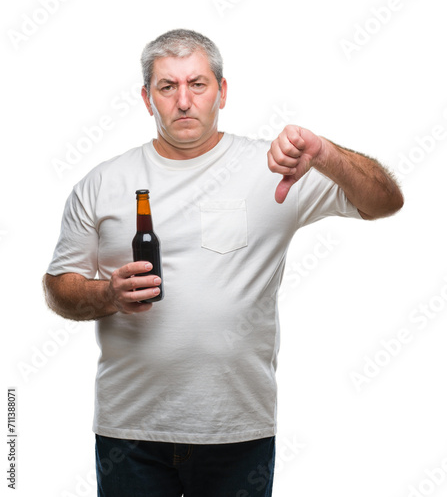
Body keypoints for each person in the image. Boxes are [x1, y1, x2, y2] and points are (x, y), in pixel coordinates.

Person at [43, 29, 404, 497]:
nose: (184, 101)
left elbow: (385, 202)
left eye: (198, 84)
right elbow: (57, 288)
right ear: (147, 98)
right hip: (130, 432)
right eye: (167, 87)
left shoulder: (275, 169)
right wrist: (106, 294)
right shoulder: (103, 182)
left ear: (223, 91)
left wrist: (327, 154)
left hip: (238, 430)